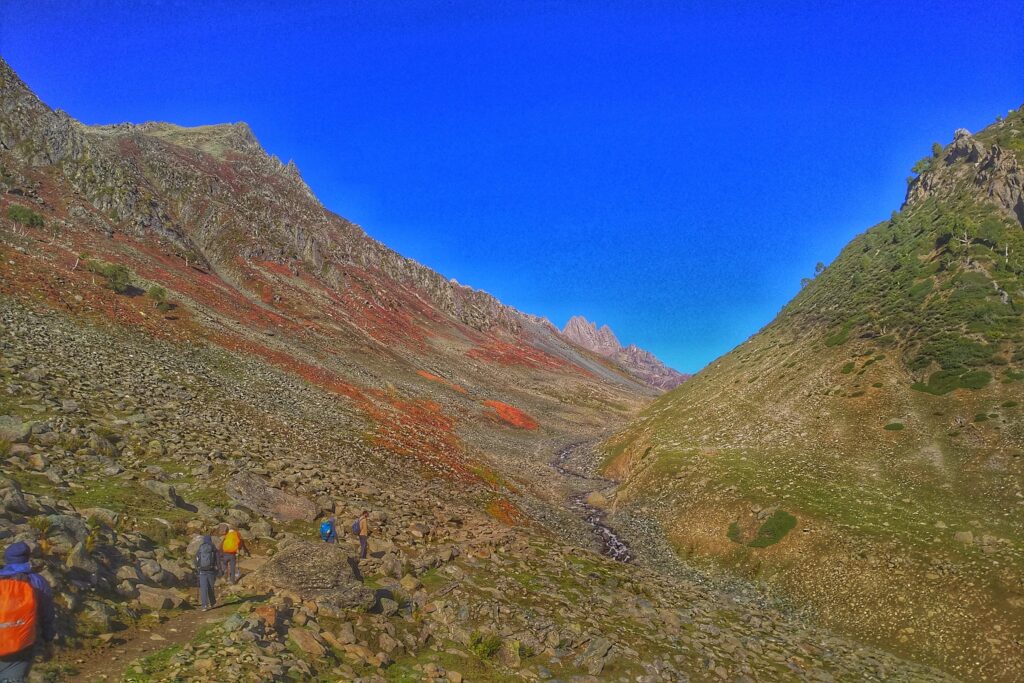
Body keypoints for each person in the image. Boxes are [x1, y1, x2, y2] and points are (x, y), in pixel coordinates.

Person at [0, 542, 56, 683]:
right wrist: (49, 641)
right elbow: (47, 615)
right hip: (21, 643)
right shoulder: (37, 582)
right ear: (27, 558)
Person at [194, 535, 218, 611]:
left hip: (202, 571)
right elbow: (217, 559)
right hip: (210, 570)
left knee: (203, 588)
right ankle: (212, 603)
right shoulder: (213, 547)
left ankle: (204, 606)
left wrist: (197, 567)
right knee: (210, 587)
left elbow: (196, 559)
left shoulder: (201, 548)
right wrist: (218, 569)